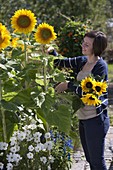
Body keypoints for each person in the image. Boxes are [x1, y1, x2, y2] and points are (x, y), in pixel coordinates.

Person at [48, 30, 110, 170]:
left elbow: (92, 93)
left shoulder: (101, 67)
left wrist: (68, 85)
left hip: (95, 120)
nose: (83, 46)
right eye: (83, 42)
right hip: (83, 118)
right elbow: (61, 63)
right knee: (90, 159)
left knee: (97, 163)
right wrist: (51, 52)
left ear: (96, 48)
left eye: (87, 44)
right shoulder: (82, 61)